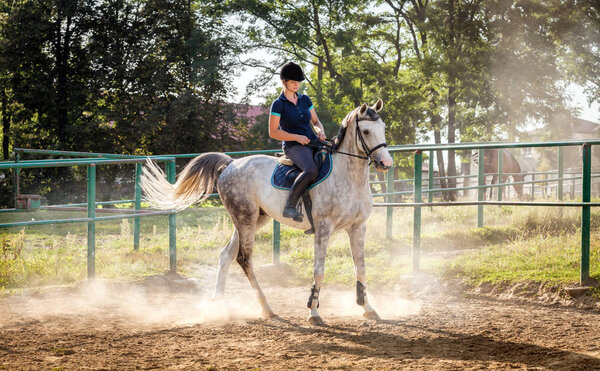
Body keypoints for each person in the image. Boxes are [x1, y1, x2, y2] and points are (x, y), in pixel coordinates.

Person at [269, 62, 327, 222]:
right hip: (293, 146)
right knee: (311, 170)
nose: (296, 85)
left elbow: (316, 121)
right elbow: (273, 132)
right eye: (293, 82)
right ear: (284, 82)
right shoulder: (278, 104)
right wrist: (296, 137)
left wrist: (320, 131)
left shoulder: (305, 99)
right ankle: (289, 206)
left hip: (313, 141)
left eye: (298, 82)